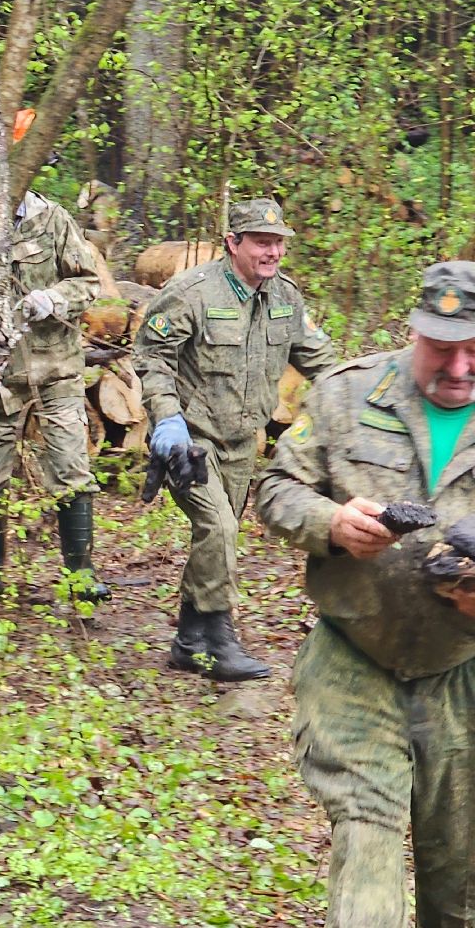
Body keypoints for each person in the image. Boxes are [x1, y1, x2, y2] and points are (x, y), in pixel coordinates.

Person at [255, 260, 475, 927]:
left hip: (464, 673)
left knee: (459, 875)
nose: (459, 367)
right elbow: (276, 489)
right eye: (442, 347)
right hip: (354, 659)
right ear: (414, 331)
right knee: (367, 838)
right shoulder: (346, 393)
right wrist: (330, 523)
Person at [133, 196, 337, 680]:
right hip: (190, 443)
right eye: (262, 243)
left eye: (279, 243)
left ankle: (188, 640)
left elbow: (322, 362)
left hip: (243, 443)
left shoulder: (285, 297)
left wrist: (360, 397)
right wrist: (167, 420)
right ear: (233, 243)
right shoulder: (193, 292)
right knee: (219, 527)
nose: (273, 252)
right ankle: (221, 640)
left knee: (217, 537)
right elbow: (152, 356)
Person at [0, 172, 107, 605]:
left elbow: (89, 282)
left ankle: (81, 575)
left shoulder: (52, 220)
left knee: (70, 468)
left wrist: (54, 299)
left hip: (55, 369)